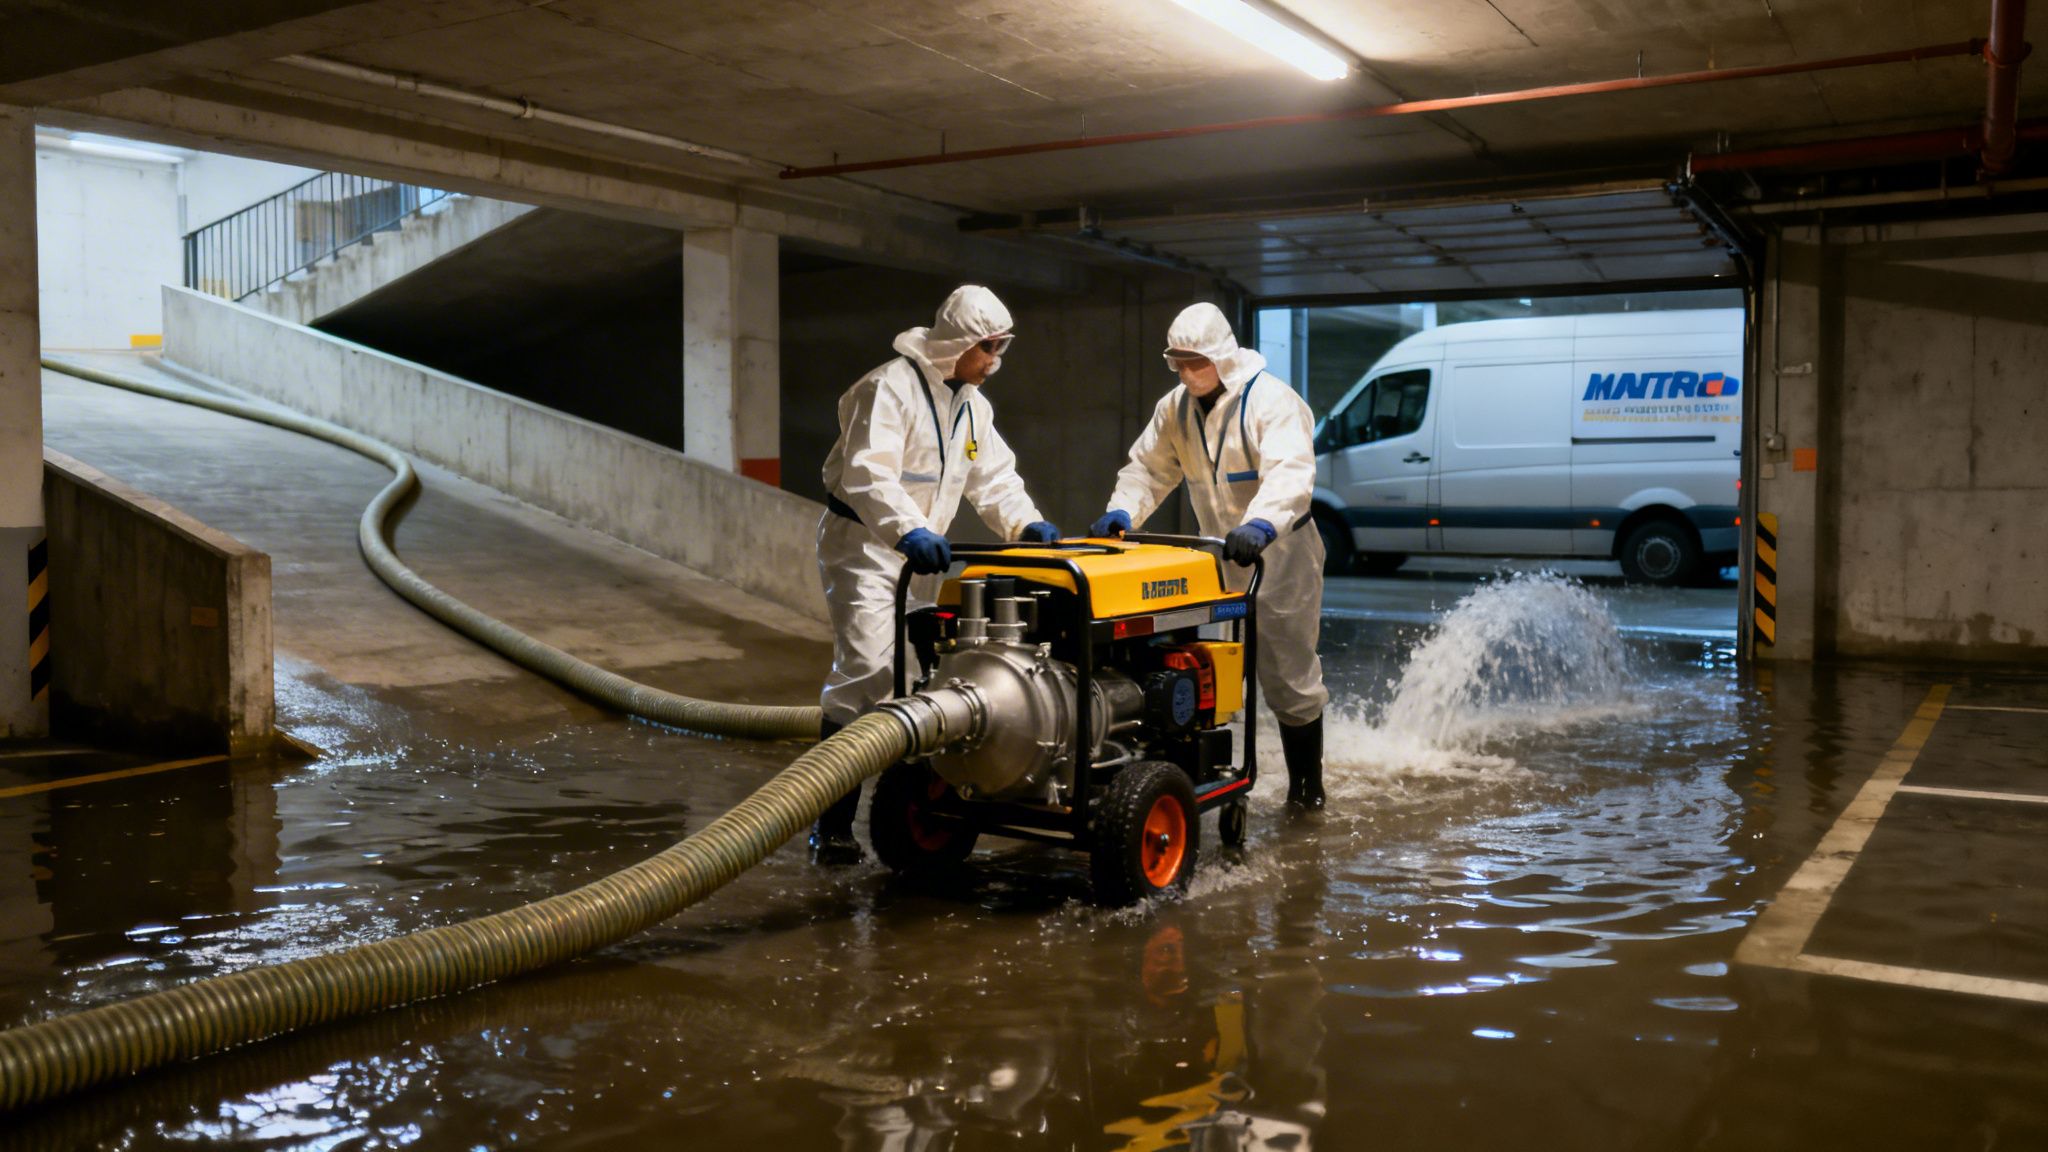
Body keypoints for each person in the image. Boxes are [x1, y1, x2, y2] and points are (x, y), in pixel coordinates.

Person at [813, 285, 1060, 864]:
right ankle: (832, 824)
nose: (995, 361)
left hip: (922, 551)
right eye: (990, 348)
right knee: (869, 674)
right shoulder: (887, 389)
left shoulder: (971, 404)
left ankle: (906, 803)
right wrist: (905, 530)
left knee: (919, 680)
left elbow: (992, 477)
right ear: (962, 343)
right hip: (868, 546)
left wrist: (1026, 525)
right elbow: (867, 475)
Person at [1089, 302, 1329, 809]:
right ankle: (1216, 779)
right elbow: (1148, 469)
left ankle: (1307, 790)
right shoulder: (1174, 408)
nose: (1185, 371)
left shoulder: (1272, 402)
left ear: (1221, 356)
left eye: (1194, 360)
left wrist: (1262, 523)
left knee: (1288, 673)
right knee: (1211, 669)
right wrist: (1122, 512)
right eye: (1177, 361)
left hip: (1281, 552)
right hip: (1218, 555)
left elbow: (1291, 471)